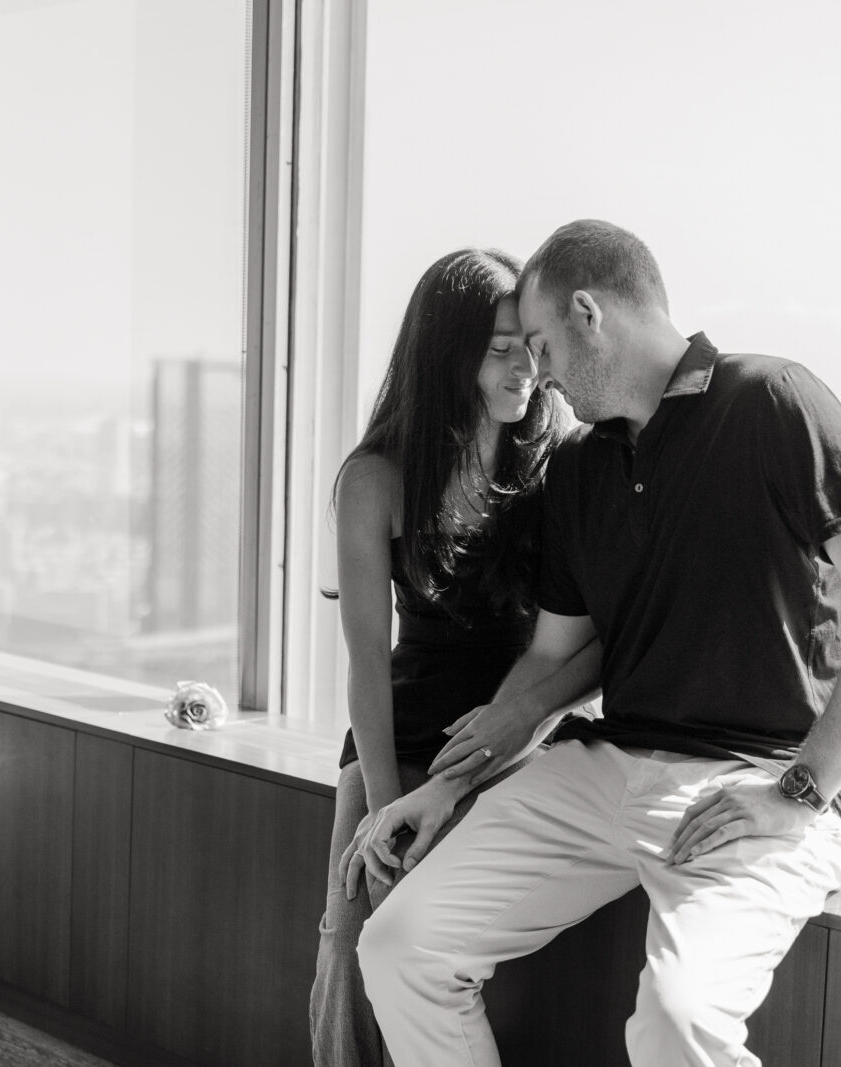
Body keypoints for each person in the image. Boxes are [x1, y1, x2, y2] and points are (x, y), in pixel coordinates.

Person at [348, 220, 841, 1067]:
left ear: (588, 314)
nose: (539, 374)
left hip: (756, 778)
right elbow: (549, 663)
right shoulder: (579, 469)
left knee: (676, 1020)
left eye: (542, 346)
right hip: (603, 768)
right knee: (399, 945)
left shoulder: (772, 399)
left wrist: (802, 789)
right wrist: (447, 787)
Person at [309, 247, 600, 1067]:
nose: (525, 368)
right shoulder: (375, 478)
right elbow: (367, 663)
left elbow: (588, 646)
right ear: (447, 354)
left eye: (530, 347)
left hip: (521, 739)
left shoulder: (559, 466)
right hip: (398, 738)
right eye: (499, 348)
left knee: (429, 950)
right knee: (349, 935)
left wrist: (510, 733)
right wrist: (383, 809)